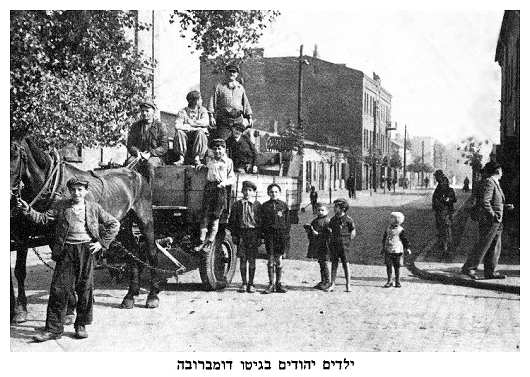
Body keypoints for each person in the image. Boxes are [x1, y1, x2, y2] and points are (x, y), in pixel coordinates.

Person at [16, 177, 120, 342]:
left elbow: (113, 224)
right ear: (69, 191)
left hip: (86, 251)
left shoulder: (93, 207)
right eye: (73, 190)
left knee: (85, 289)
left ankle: (81, 325)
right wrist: (28, 209)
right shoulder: (61, 206)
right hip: (66, 252)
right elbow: (42, 219)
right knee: (59, 290)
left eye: (80, 190)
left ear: (86, 191)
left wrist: (102, 243)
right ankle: (53, 329)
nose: (76, 193)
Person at [461, 161, 514, 280]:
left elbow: (494, 202)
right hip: (490, 220)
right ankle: (468, 268)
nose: (502, 172)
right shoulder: (490, 182)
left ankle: (490, 271)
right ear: (497, 170)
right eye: (501, 170)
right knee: (483, 245)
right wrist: (493, 215)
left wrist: (504, 207)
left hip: (496, 220)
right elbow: (485, 201)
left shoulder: (494, 182)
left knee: (494, 246)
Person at [194, 139, 235, 253]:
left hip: (220, 189)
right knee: (205, 214)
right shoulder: (210, 160)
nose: (217, 151)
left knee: (215, 216)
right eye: (215, 148)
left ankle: (210, 241)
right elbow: (206, 168)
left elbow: (232, 177)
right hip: (209, 188)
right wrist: (200, 166)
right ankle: (201, 240)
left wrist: (224, 183)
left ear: (224, 149)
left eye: (220, 148)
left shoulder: (228, 162)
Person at [228, 180, 261, 293]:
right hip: (242, 233)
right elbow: (232, 221)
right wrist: (234, 235)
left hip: (253, 233)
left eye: (250, 190)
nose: (247, 192)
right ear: (242, 191)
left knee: (252, 259)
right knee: (243, 259)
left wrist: (259, 236)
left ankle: (251, 284)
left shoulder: (257, 205)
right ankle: (243, 283)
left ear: (253, 192)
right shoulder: (237, 205)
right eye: (245, 190)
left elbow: (261, 222)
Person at [126, 99, 168, 183]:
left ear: (153, 112)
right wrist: (137, 153)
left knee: (150, 164)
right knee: (130, 163)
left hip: (155, 157)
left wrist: (150, 154)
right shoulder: (135, 126)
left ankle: (150, 192)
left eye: (147, 111)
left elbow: (164, 147)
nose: (144, 113)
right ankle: (132, 192)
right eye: (142, 111)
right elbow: (130, 144)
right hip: (139, 156)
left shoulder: (160, 126)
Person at [208, 64, 253, 141]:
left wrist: (249, 117)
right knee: (222, 141)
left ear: (237, 74)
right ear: (226, 73)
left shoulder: (240, 88)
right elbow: (212, 101)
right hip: (224, 120)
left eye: (234, 72)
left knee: (241, 142)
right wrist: (211, 116)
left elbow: (246, 104)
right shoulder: (219, 87)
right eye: (230, 71)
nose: (232, 74)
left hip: (238, 119)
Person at [260, 183, 291, 294]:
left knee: (279, 259)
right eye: (272, 192)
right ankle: (271, 284)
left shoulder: (283, 206)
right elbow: (261, 222)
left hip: (281, 235)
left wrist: (286, 236)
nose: (274, 194)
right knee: (270, 259)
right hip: (270, 236)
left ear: (279, 193)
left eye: (276, 192)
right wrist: (262, 235)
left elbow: (287, 223)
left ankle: (278, 283)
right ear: (268, 193)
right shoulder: (265, 206)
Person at [326, 198, 356, 292]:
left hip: (344, 245)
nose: (334, 209)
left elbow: (353, 230)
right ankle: (332, 284)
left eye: (336, 207)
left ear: (343, 209)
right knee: (334, 264)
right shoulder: (333, 219)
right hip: (334, 245)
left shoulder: (348, 219)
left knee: (346, 265)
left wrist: (348, 239)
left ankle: (348, 285)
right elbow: (330, 229)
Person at [173, 90, 210, 165]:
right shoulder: (183, 111)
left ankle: (197, 157)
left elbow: (205, 122)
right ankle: (181, 158)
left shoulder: (203, 110)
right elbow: (177, 125)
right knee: (179, 132)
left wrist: (191, 123)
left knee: (200, 132)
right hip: (186, 135)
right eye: (200, 99)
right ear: (195, 101)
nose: (201, 101)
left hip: (197, 135)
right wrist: (192, 127)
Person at [380, 212, 411, 288]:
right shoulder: (387, 228)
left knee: (397, 267)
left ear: (398, 220)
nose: (390, 220)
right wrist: (383, 247)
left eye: (392, 218)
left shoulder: (400, 230)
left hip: (397, 251)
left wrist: (407, 248)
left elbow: (405, 240)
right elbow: (384, 238)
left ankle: (397, 281)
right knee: (388, 266)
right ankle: (389, 280)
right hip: (388, 250)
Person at [304, 202, 330, 290]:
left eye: (322, 210)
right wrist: (309, 231)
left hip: (324, 245)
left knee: (324, 263)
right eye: (318, 210)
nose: (320, 212)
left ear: (327, 211)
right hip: (317, 245)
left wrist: (317, 233)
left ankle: (327, 281)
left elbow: (329, 234)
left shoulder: (328, 221)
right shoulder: (314, 221)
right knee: (321, 262)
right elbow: (311, 235)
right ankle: (323, 281)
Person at [432, 175, 457, 259]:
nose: (443, 184)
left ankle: (447, 248)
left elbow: (454, 199)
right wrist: (439, 204)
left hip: (447, 213)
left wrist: (448, 199)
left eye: (444, 182)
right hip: (440, 213)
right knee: (441, 230)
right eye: (441, 182)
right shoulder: (438, 191)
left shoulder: (450, 190)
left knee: (447, 230)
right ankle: (444, 246)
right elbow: (434, 201)